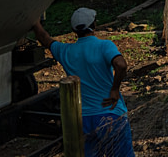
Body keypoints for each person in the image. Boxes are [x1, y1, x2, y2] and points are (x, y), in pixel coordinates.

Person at [33, 8, 135, 157]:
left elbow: (44, 38)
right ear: (94, 25)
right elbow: (121, 65)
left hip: (83, 120)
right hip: (110, 115)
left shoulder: (65, 51)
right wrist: (114, 89)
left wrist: (35, 22)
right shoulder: (105, 46)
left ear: (74, 30)